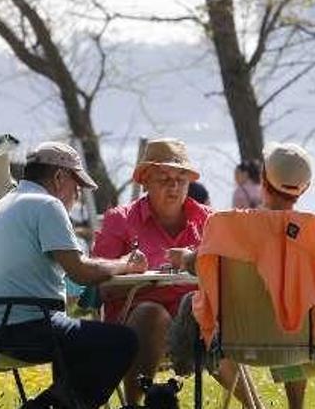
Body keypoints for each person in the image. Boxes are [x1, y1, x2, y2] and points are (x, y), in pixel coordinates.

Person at [169, 142, 315, 409]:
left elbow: (200, 264)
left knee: (197, 311)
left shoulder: (225, 226)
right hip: (301, 345)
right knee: (302, 302)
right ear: (306, 187)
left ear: (263, 178)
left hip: (232, 342)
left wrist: (183, 257)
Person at [0, 141, 148, 409]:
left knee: (77, 339)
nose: (76, 198)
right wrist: (125, 263)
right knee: (123, 341)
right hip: (25, 328)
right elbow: (81, 272)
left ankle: (55, 403)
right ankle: (45, 406)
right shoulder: (46, 205)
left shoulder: (3, 205)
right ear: (59, 177)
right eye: (76, 188)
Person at [92, 138, 254, 407]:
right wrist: (130, 268)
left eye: (181, 177)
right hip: (136, 324)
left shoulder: (209, 220)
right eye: (164, 178)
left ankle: (250, 404)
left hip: (195, 319)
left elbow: (234, 270)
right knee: (151, 313)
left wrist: (195, 262)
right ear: (145, 180)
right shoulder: (119, 219)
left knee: (205, 313)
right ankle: (133, 404)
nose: (174, 185)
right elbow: (102, 286)